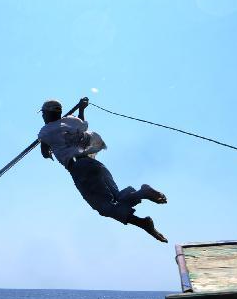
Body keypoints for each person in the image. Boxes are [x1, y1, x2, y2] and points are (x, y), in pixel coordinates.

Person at [38, 97, 169, 243]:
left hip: (79, 169)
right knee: (117, 199)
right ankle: (143, 214)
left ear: (48, 113)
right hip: (94, 164)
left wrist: (45, 145)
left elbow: (44, 153)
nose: (43, 116)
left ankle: (143, 206)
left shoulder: (45, 131)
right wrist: (81, 109)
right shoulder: (72, 121)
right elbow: (83, 126)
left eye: (43, 113)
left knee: (104, 207)